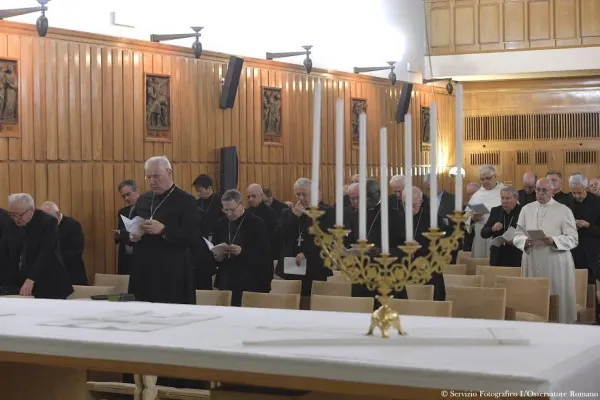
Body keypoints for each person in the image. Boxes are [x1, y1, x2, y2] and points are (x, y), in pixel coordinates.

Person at [128, 156, 199, 304]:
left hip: (172, 269)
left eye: (156, 176)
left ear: (169, 173)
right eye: (148, 177)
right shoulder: (143, 199)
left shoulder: (186, 201)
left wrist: (164, 230)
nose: (152, 182)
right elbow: (131, 225)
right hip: (143, 267)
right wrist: (132, 235)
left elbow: (192, 236)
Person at [513, 178, 577, 324]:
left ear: (552, 192)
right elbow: (517, 235)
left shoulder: (564, 210)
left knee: (554, 295)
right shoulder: (526, 209)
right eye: (537, 190)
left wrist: (554, 240)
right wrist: (524, 241)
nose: (540, 193)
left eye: (544, 190)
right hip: (532, 257)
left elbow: (573, 239)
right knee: (532, 296)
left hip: (555, 261)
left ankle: (558, 325)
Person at [0, 194, 73, 299]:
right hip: (22, 283)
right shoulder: (11, 223)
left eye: (19, 215)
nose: (16, 219)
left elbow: (46, 253)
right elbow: (6, 251)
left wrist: (31, 279)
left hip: (50, 282)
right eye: (12, 214)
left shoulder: (48, 222)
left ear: (32, 210)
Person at [347, 179, 408, 305]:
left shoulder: (395, 216)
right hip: (362, 278)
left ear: (378, 193)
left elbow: (404, 249)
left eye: (368, 196)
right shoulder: (355, 216)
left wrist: (381, 251)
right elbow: (350, 242)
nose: (364, 200)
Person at [212, 190, 272, 306]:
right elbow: (215, 246)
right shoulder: (221, 223)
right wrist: (217, 256)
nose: (229, 214)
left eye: (232, 210)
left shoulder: (257, 223)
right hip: (227, 278)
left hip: (250, 279)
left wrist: (242, 252)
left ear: (241, 205)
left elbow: (264, 253)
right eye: (225, 210)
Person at [275, 178, 334, 296]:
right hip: (290, 268)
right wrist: (294, 216)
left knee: (313, 302)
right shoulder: (287, 213)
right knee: (290, 302)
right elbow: (279, 236)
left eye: (304, 194)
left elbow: (326, 240)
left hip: (314, 267)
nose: (301, 198)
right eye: (298, 194)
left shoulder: (325, 213)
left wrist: (306, 253)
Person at [398, 187, 447, 301]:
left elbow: (441, 247)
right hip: (403, 269)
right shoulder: (397, 218)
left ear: (420, 202)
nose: (408, 208)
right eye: (405, 204)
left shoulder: (433, 220)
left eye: (413, 204)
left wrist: (419, 246)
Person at [40, 201, 88, 285]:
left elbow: (76, 252)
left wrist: (53, 259)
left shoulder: (73, 225)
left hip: (71, 275)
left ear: (58, 214)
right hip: (50, 277)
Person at [565, 174, 600, 285]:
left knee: (590, 284)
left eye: (579, 192)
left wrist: (588, 225)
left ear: (585, 188)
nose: (576, 196)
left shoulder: (597, 202)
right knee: (572, 283)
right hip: (572, 250)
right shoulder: (566, 201)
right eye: (573, 193)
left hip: (592, 251)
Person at [465, 165, 505, 258]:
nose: (485, 182)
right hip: (480, 234)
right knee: (480, 261)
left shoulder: (505, 192)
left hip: (498, 233)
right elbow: (466, 216)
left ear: (495, 176)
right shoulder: (476, 195)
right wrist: (472, 219)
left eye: (488, 178)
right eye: (482, 179)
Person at [480, 186, 522, 267]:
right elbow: (483, 233)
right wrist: (492, 229)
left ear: (516, 198)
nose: (504, 201)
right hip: (497, 256)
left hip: (516, 256)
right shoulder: (495, 211)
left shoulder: (523, 211)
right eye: (502, 198)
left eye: (508, 198)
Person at [245, 183, 279, 262]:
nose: (250, 199)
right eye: (248, 197)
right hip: (248, 255)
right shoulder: (245, 213)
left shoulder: (271, 213)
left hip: (265, 256)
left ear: (261, 196)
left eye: (253, 196)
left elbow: (274, 237)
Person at [114, 179, 140, 275]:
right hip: (125, 255)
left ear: (137, 191)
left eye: (128, 194)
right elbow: (119, 232)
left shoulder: (148, 209)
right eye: (123, 196)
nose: (126, 198)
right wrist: (118, 235)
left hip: (141, 255)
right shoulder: (122, 212)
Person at [193, 174, 223, 240]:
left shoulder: (221, 202)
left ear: (209, 188)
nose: (198, 194)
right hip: (200, 237)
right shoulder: (197, 203)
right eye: (197, 191)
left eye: (200, 191)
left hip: (217, 237)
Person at [462, 182, 480, 252]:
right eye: (469, 194)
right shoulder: (465, 207)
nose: (471, 196)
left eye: (473, 193)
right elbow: (462, 224)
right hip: (470, 240)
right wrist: (472, 219)